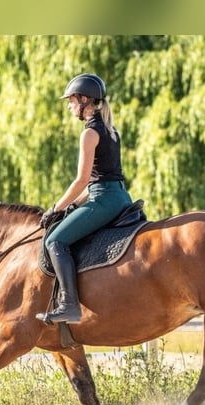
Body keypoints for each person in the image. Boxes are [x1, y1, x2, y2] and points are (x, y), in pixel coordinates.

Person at [37, 73, 133, 324]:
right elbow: (97, 182)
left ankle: (69, 305)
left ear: (84, 100)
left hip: (104, 200)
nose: (69, 106)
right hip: (119, 196)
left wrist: (54, 208)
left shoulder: (89, 133)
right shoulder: (110, 129)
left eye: (71, 101)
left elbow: (82, 180)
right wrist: (71, 205)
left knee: (55, 240)